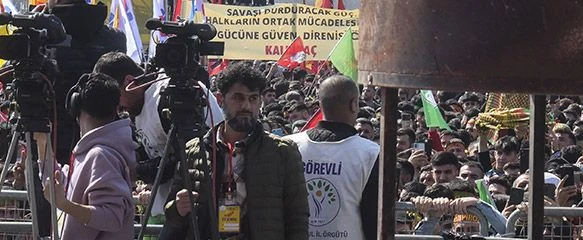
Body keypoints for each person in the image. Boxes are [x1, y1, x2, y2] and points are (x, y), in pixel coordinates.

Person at [163, 62, 309, 240]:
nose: (246, 106)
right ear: (220, 99)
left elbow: (298, 218)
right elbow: (172, 213)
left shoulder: (283, 152)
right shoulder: (195, 150)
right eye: (238, 98)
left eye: (253, 98)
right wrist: (178, 207)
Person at [93, 52, 223, 223]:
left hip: (198, 207)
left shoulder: (168, 96)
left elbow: (186, 159)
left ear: (128, 82)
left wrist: (136, 170)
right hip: (168, 209)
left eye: (114, 96)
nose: (116, 107)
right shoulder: (141, 104)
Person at [42, 0, 127, 164]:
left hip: (51, 136)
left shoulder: (43, 38)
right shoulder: (114, 38)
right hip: (104, 139)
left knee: (49, 191)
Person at [42, 73, 136, 240]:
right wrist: (41, 144)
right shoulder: (94, 151)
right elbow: (65, 187)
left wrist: (65, 205)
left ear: (76, 106)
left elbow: (113, 218)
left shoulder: (101, 155)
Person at [287, 75, 379, 240]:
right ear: (354, 104)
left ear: (320, 105)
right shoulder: (371, 154)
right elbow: (374, 219)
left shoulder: (288, 146)